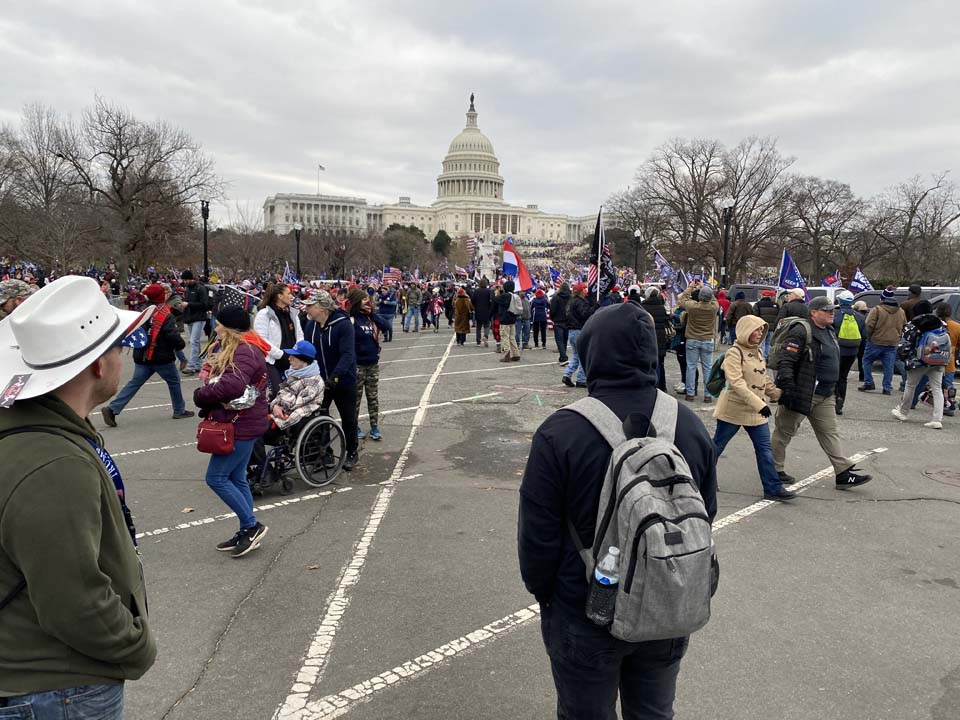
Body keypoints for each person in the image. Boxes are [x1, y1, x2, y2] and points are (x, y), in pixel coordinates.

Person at [518, 300, 717, 720]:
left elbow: (538, 536)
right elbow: (706, 512)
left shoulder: (562, 431)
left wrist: (547, 595)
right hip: (667, 599)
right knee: (654, 711)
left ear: (592, 354)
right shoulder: (689, 425)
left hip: (588, 605)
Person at [0, 276, 156, 717]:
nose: (123, 354)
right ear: (97, 365)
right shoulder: (53, 462)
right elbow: (72, 600)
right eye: (118, 345)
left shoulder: (36, 431)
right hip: (59, 686)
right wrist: (135, 645)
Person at [771, 296, 873, 489]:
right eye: (826, 310)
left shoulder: (829, 330)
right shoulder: (802, 331)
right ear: (813, 312)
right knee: (784, 431)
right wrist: (789, 388)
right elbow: (787, 360)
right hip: (804, 391)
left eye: (831, 310)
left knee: (830, 433)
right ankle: (773, 470)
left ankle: (843, 473)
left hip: (825, 393)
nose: (831, 313)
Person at [193, 307, 270, 557]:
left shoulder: (244, 350)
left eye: (218, 325)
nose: (215, 329)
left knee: (215, 478)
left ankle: (251, 526)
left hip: (241, 423)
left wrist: (201, 396)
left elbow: (232, 385)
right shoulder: (243, 348)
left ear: (229, 328)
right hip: (244, 421)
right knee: (237, 478)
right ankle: (246, 529)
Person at [713, 315, 794, 500]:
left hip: (756, 411)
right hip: (733, 409)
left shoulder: (757, 352)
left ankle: (773, 489)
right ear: (745, 331)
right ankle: (702, 479)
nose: (759, 333)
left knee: (764, 449)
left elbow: (763, 378)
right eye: (755, 330)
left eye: (761, 330)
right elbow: (736, 383)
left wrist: (779, 394)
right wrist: (760, 404)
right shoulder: (734, 353)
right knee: (716, 447)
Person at [101, 283, 194, 427]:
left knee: (134, 383)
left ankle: (113, 408)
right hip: (161, 357)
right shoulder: (165, 314)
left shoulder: (143, 312)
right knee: (174, 382)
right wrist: (180, 344)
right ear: (161, 296)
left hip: (142, 355)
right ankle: (179, 410)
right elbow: (171, 335)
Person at [303, 290, 359, 470]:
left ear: (322, 307)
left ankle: (351, 452)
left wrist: (334, 377)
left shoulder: (343, 325)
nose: (307, 309)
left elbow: (348, 354)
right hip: (318, 380)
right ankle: (324, 455)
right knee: (319, 417)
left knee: (348, 419)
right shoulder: (310, 326)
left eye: (310, 306)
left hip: (343, 380)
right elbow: (307, 352)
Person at [891, 300, 949, 429]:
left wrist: (905, 358)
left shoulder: (913, 325)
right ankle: (937, 419)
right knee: (937, 388)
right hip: (938, 360)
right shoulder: (942, 324)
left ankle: (903, 412)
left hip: (918, 361)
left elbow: (905, 345)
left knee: (910, 386)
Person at [349, 287, 391, 441]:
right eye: (363, 299)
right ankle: (354, 426)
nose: (367, 301)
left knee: (373, 397)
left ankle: (374, 426)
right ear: (356, 301)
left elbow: (387, 327)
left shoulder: (369, 317)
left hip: (372, 364)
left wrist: (372, 313)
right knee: (356, 399)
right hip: (358, 366)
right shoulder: (351, 319)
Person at [254, 283, 304, 397]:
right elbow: (261, 340)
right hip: (272, 362)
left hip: (292, 360)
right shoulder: (264, 314)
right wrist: (281, 354)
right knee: (278, 394)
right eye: (288, 293)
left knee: (293, 394)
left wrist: (296, 352)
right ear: (279, 296)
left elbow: (300, 334)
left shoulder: (293, 313)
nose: (292, 296)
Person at [859, 286, 906, 395]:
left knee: (866, 361)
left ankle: (868, 382)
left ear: (882, 299)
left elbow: (868, 325)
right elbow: (904, 325)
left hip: (876, 341)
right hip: (893, 342)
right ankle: (887, 388)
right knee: (888, 366)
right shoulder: (901, 312)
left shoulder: (877, 310)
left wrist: (869, 337)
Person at [678, 283, 719, 403]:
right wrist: (705, 287)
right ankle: (707, 395)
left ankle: (690, 393)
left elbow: (683, 298)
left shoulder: (693, 307)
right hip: (707, 340)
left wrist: (691, 287)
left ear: (700, 297)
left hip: (692, 338)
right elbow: (714, 299)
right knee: (707, 368)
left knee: (691, 366)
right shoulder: (713, 308)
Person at [831, 290, 866, 415]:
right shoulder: (860, 317)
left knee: (833, 376)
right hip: (852, 352)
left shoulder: (834, 315)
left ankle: (833, 400)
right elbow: (864, 337)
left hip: (837, 350)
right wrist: (860, 354)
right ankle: (841, 401)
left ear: (839, 301)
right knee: (843, 377)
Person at [562, 283, 593, 386]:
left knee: (576, 355)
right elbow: (584, 315)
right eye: (583, 289)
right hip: (579, 330)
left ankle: (567, 374)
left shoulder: (570, 302)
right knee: (583, 355)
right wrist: (594, 307)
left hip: (571, 331)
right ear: (580, 291)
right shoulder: (579, 302)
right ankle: (581, 379)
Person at [642, 286, 671, 392]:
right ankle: (661, 385)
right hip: (661, 338)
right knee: (660, 363)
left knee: (649, 364)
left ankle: (652, 385)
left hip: (648, 338)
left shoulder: (644, 307)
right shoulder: (662, 307)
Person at [181, 270, 209, 375]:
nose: (185, 282)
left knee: (193, 341)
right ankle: (199, 363)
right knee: (195, 342)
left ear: (191, 278)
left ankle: (191, 365)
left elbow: (204, 304)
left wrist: (188, 304)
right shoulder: (187, 289)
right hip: (190, 318)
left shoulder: (200, 288)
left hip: (199, 317)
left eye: (186, 279)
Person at [494, 279, 521, 362]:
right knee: (512, 337)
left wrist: (497, 292)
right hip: (513, 319)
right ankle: (516, 354)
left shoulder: (505, 296)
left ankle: (507, 354)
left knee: (504, 336)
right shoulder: (515, 296)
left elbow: (495, 299)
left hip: (504, 319)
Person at [753, 289, 780, 358]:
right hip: (772, 328)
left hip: (762, 328)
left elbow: (755, 316)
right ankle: (768, 357)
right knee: (769, 343)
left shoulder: (758, 305)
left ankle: (762, 358)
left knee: (762, 344)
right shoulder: (776, 305)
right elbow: (778, 316)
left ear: (762, 295)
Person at [550, 282, 571, 363]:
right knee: (565, 339)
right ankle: (563, 355)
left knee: (559, 340)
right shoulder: (571, 297)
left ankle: (563, 356)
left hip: (558, 321)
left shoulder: (556, 298)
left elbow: (552, 310)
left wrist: (553, 318)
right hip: (567, 321)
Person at [471, 277, 493, 347]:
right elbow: (491, 301)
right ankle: (485, 336)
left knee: (478, 327)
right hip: (486, 311)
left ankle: (478, 341)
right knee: (486, 326)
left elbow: (472, 300)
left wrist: (475, 307)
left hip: (478, 311)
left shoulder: (476, 291)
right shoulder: (489, 291)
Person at [853, 300, 869, 381]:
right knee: (862, 359)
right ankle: (862, 376)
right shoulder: (867, 315)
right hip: (865, 339)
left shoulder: (855, 316)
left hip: (857, 338)